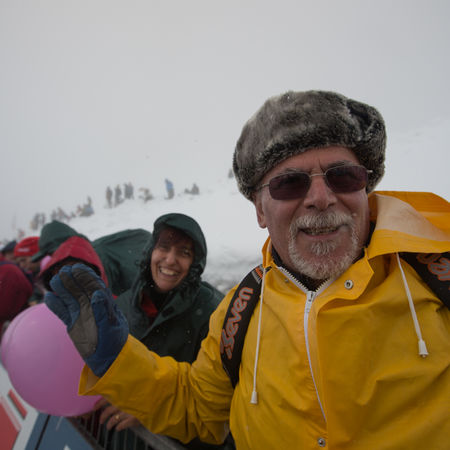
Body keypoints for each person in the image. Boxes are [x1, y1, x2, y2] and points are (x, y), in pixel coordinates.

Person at [45, 90, 450, 449]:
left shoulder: (436, 281)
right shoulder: (240, 312)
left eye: (342, 176)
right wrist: (117, 359)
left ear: (365, 186)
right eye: (290, 183)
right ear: (259, 210)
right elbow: (197, 408)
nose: (321, 197)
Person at [100, 213, 232, 449]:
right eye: (164, 247)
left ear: (195, 263)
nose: (170, 260)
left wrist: (148, 411)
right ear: (151, 250)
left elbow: (215, 404)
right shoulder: (127, 304)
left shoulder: (213, 316)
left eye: (184, 252)